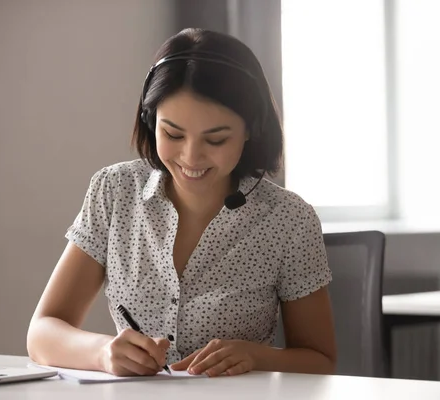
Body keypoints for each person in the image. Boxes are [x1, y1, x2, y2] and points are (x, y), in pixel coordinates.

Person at [26, 27, 336, 378]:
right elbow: (42, 333)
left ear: (252, 128)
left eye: (216, 139)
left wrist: (254, 357)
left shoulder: (289, 220)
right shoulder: (114, 191)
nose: (191, 157)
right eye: (172, 134)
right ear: (149, 119)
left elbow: (320, 360)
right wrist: (102, 353)